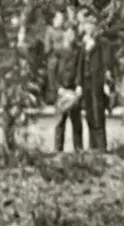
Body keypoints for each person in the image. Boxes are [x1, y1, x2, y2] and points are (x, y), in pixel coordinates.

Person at [47, 16, 83, 152]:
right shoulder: (57, 52)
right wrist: (58, 88)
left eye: (73, 33)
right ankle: (58, 150)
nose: (70, 36)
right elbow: (52, 73)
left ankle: (79, 150)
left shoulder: (77, 51)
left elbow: (79, 69)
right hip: (61, 90)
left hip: (73, 90)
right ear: (64, 35)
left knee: (77, 122)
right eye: (68, 33)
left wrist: (78, 85)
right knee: (60, 122)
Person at [77, 12, 111, 152]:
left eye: (91, 26)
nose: (89, 28)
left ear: (95, 27)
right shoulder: (83, 43)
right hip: (86, 82)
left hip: (97, 81)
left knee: (98, 112)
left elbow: (106, 63)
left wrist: (106, 82)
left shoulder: (101, 43)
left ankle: (101, 146)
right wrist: (78, 84)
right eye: (87, 25)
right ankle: (92, 145)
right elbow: (80, 64)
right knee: (89, 112)